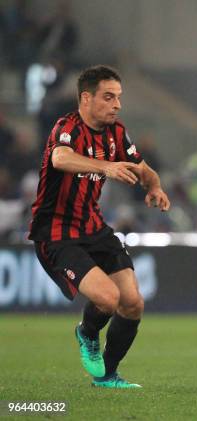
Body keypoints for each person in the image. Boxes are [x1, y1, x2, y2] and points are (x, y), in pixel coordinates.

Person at [29, 65, 170, 388]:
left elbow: (143, 169)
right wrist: (106, 167)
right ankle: (86, 332)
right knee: (107, 298)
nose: (117, 105)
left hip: (93, 227)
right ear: (86, 98)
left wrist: (155, 188)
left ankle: (107, 375)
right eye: (108, 97)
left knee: (132, 303)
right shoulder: (67, 127)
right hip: (56, 233)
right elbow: (61, 159)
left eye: (118, 97)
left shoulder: (117, 133)